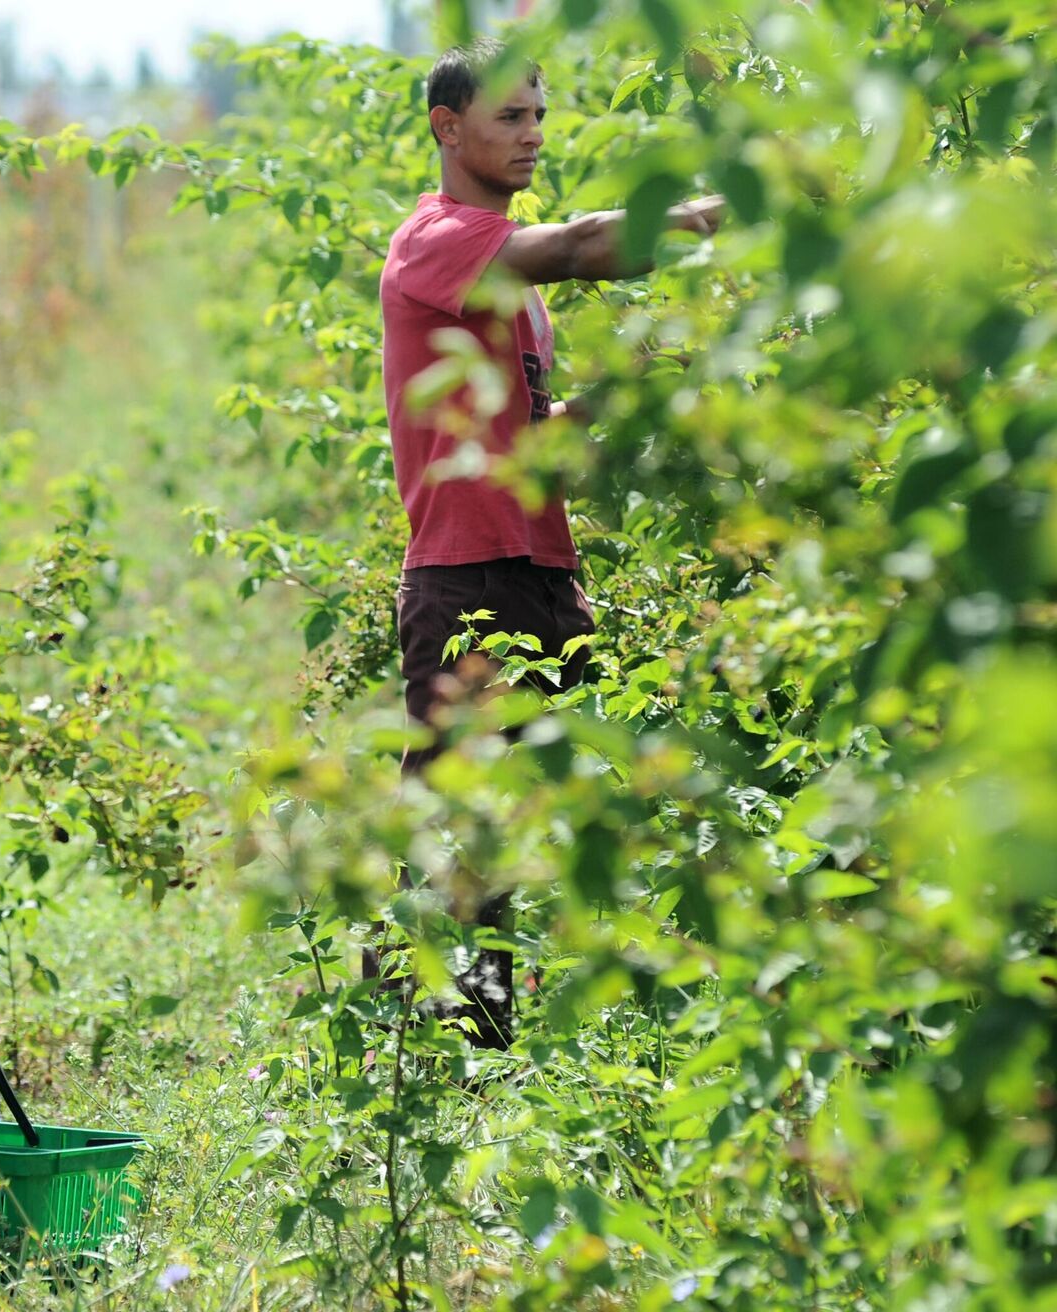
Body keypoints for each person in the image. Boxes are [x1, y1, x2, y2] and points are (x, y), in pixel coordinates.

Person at [377, 39, 723, 1047]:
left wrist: (630, 394)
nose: (532, 136)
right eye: (509, 119)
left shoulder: (507, 281)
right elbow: (575, 249)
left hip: (538, 567)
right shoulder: (438, 239)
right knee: (458, 842)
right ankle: (430, 1065)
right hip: (466, 578)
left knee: (579, 810)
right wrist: (726, 216)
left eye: (538, 116)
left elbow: (533, 441)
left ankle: (578, 1046)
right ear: (448, 128)